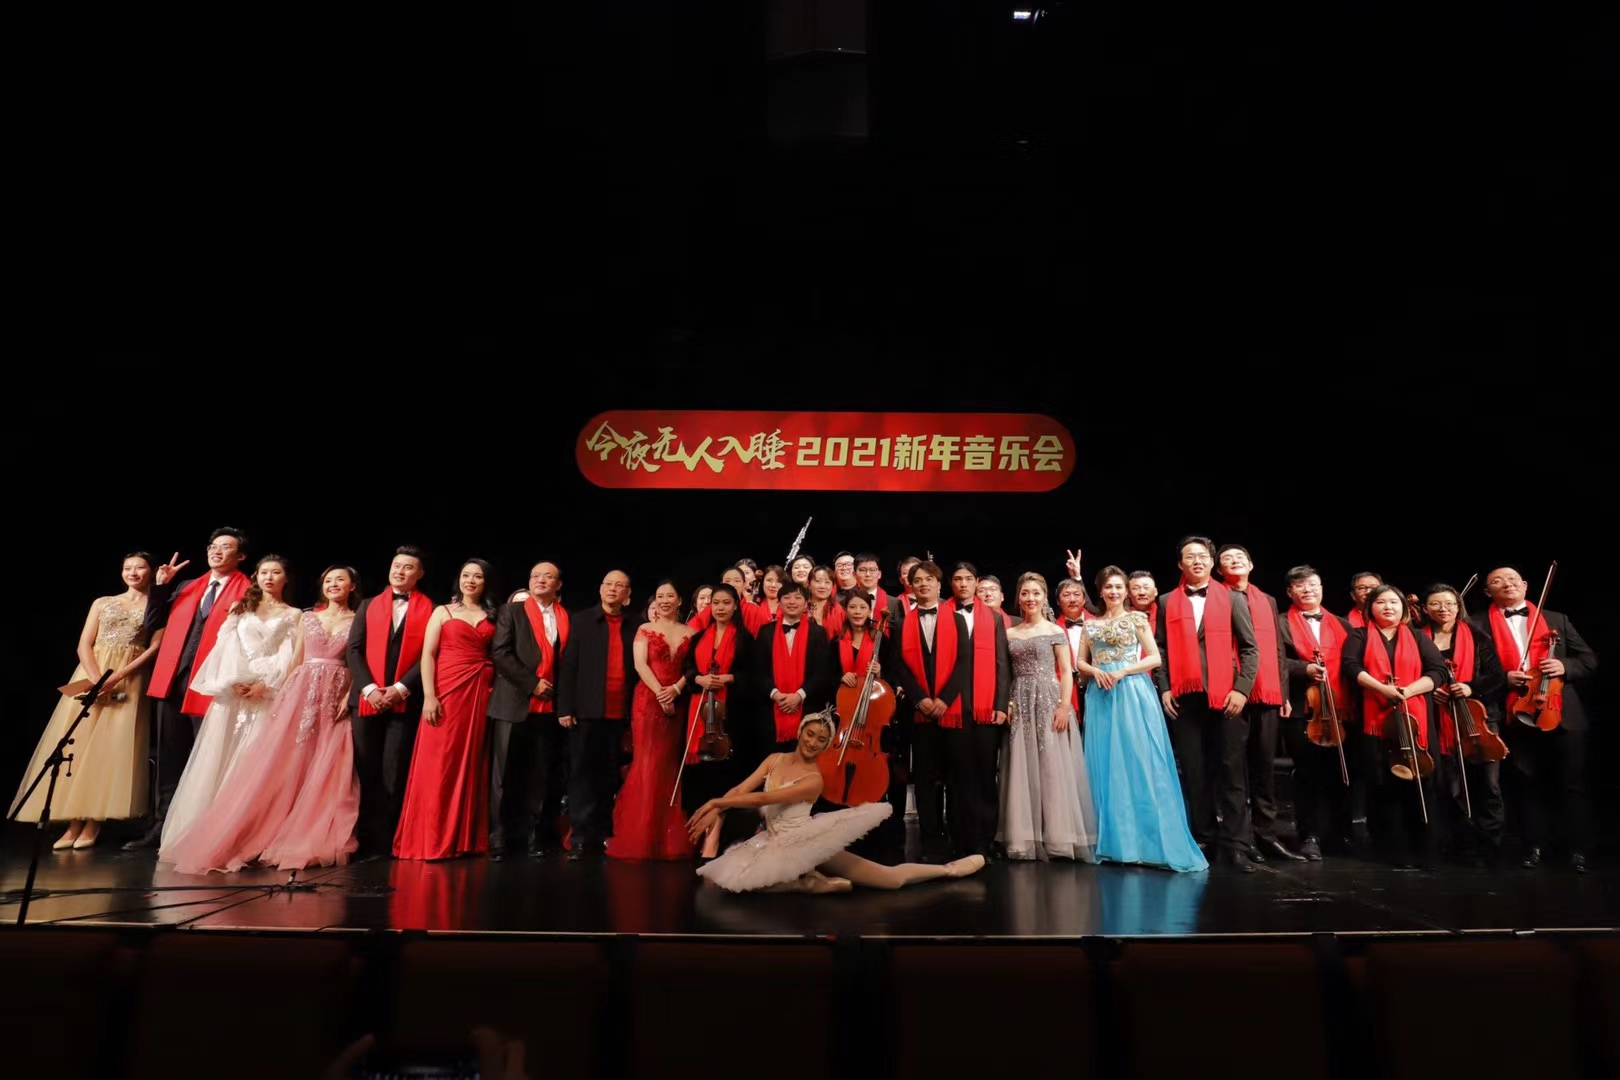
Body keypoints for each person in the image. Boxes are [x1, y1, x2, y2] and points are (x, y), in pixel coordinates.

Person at [163, 565, 364, 873]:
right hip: (301, 689)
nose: (333, 584)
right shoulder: (309, 617)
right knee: (286, 760)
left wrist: (349, 695)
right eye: (328, 580)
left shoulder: (359, 619)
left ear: (352, 586)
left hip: (335, 691)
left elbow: (358, 660)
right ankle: (261, 830)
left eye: (340, 580)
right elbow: (296, 660)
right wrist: (282, 695)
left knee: (327, 759)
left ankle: (308, 827)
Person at [690, 710, 986, 892]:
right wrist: (716, 808)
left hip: (806, 841)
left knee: (890, 880)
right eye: (810, 735)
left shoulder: (813, 779)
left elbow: (766, 797)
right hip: (773, 840)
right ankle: (808, 882)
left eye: (821, 740)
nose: (813, 743)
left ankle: (948, 870)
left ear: (827, 745)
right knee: (721, 880)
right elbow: (741, 789)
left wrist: (715, 804)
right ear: (800, 732)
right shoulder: (774, 759)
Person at [12, 553, 164, 849]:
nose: (133, 572)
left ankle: (93, 821)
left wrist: (116, 678)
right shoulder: (102, 602)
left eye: (140, 567)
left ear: (152, 571)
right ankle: (72, 822)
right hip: (91, 672)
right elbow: (84, 644)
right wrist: (97, 680)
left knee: (110, 748)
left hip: (128, 677)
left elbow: (154, 647)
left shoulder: (158, 606)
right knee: (77, 746)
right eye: (127, 568)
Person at [158, 555, 300, 857]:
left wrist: (267, 684)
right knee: (217, 757)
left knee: (253, 761)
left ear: (286, 578)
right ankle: (205, 832)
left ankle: (245, 832)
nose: (269, 577)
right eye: (264, 572)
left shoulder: (294, 614)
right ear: (256, 576)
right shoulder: (240, 607)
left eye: (276, 572)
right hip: (233, 691)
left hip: (266, 693)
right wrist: (233, 680)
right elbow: (223, 646)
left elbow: (289, 656)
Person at [124, 527, 252, 850]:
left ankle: (201, 829)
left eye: (226, 547)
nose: (216, 551)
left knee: (208, 759)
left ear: (241, 556)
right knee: (169, 757)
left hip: (213, 684)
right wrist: (160, 587)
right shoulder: (187, 586)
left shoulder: (249, 590)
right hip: (174, 679)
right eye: (213, 546)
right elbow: (153, 623)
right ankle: (162, 826)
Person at [1077, 567, 1206, 872]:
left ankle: (1147, 842)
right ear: (1100, 591)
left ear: (1126, 591)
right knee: (1105, 764)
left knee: (1139, 761)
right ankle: (1115, 843)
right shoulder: (1090, 625)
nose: (1114, 592)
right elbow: (1080, 661)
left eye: (1118, 587)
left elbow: (1154, 657)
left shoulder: (1137, 619)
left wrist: (1123, 670)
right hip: (1100, 696)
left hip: (1132, 692)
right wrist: (1096, 671)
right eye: (1108, 587)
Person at [1471, 565, 1598, 872]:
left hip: (1562, 712)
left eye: (1513, 579)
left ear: (1526, 585)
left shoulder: (1556, 619)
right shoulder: (1476, 624)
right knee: (1527, 784)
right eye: (1498, 581)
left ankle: (1576, 850)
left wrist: (1565, 667)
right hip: (1516, 713)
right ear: (1488, 592)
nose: (1507, 584)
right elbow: (1473, 672)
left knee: (1571, 784)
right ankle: (1533, 846)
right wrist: (1503, 678)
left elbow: (1588, 659)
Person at [1153, 536, 1260, 871]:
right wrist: (1164, 688)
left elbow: (1250, 648)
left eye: (1202, 556)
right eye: (1190, 556)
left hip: (1226, 696)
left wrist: (1242, 690)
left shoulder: (1232, 597)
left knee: (1231, 772)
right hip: (1185, 698)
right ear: (1180, 564)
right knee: (1195, 772)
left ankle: (1236, 845)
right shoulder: (1167, 601)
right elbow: (1160, 649)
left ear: (1212, 562)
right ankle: (1205, 839)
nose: (1197, 561)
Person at [394, 560, 497, 860]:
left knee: (471, 762)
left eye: (477, 576)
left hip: (479, 693)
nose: (470, 580)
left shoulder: (494, 615)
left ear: (486, 582)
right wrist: (429, 696)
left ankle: (462, 839)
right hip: (446, 690)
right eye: (466, 575)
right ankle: (430, 838)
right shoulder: (443, 611)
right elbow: (428, 655)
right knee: (439, 762)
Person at [1343, 585, 1447, 869]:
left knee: (1422, 782)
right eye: (1381, 602)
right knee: (1382, 784)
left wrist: (1409, 691)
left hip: (1416, 720)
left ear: (1403, 608)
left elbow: (1438, 671)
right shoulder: (1359, 635)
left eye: (1393, 602)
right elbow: (1351, 667)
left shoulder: (1418, 636)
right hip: (1376, 721)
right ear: (1370, 608)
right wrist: (1382, 689)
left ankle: (1425, 849)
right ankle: (1392, 850)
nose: (1388, 607)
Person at [998, 572, 1097, 862]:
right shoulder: (1009, 633)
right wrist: (1007, 703)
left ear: (1044, 597)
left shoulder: (1055, 630)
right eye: (1025, 593)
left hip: (1049, 700)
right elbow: (1004, 674)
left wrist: (1064, 707)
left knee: (1052, 766)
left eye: (1036, 593)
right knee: (1021, 765)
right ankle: (1024, 837)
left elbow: (1066, 672)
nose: (1030, 598)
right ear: (1018, 598)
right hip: (1020, 700)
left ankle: (1057, 837)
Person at [347, 546, 434, 857]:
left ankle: (385, 841)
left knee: (393, 771)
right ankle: (360, 839)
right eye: (397, 565)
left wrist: (400, 688)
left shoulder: (431, 609)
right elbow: (354, 650)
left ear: (420, 574)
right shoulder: (368, 605)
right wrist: (370, 689)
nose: (400, 571)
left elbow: (429, 654)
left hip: (404, 701)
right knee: (364, 769)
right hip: (366, 699)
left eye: (408, 567)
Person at [1217, 544, 1298, 862]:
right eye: (1227, 559)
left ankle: (1266, 835)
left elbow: (1277, 650)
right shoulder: (1216, 597)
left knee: (1264, 767)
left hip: (1267, 691)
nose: (1235, 561)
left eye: (1240, 557)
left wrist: (1283, 693)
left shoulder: (1267, 600)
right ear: (1219, 570)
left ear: (1251, 564)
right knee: (1233, 768)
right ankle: (1240, 839)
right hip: (1231, 690)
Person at [557, 569, 642, 861]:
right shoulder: (581, 620)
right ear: (600, 589)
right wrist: (565, 707)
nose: (612, 589)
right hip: (585, 711)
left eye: (619, 585)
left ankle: (604, 834)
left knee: (609, 776)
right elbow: (569, 666)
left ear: (627, 594)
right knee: (582, 775)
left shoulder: (636, 624)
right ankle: (581, 837)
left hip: (621, 713)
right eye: (608, 584)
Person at [608, 581, 696, 861]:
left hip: (677, 702)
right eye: (660, 596)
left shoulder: (691, 632)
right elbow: (640, 664)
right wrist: (661, 693)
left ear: (679, 600)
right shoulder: (644, 629)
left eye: (670, 596)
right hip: (648, 701)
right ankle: (641, 833)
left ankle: (666, 835)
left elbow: (693, 669)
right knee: (647, 762)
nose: (665, 600)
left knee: (669, 763)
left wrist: (676, 690)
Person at [488, 561, 569, 861]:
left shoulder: (564, 616)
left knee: (540, 774)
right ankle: (498, 838)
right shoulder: (511, 611)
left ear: (558, 584)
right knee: (504, 776)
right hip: (513, 702)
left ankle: (535, 836)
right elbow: (500, 653)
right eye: (535, 576)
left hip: (549, 706)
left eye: (548, 576)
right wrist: (532, 684)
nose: (540, 580)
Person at [1421, 582, 1507, 865]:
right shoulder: (1418, 638)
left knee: (1488, 785)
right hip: (1438, 719)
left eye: (1449, 603)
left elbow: (1497, 676)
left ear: (1459, 607)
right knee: (1451, 786)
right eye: (1435, 604)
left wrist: (1471, 687)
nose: (1443, 609)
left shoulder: (1478, 635)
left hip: (1480, 718)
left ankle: (1491, 846)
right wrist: (1429, 690)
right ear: (1425, 609)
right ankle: (1461, 844)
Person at [1277, 565, 1356, 861]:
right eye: (1300, 585)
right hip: (1302, 708)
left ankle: (1341, 833)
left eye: (1313, 584)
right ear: (1290, 592)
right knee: (1307, 773)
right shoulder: (1279, 623)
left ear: (1322, 588)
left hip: (1341, 708)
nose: (1307, 589)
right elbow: (1275, 660)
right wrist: (1304, 668)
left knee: (1340, 772)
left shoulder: (1343, 624)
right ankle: (1309, 835)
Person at [681, 583, 755, 858]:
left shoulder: (745, 639)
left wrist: (728, 678)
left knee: (724, 776)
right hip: (699, 716)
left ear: (736, 606)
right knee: (699, 777)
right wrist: (699, 679)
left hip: (730, 718)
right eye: (716, 603)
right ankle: (699, 833)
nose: (720, 608)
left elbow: (753, 677)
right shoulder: (699, 636)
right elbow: (688, 670)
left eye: (726, 603)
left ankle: (718, 835)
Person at [749, 581, 835, 753]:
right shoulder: (766, 632)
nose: (792, 602)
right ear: (779, 603)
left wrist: (799, 695)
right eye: (787, 597)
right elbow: (758, 670)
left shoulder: (818, 633)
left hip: (807, 708)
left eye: (797, 597)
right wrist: (775, 694)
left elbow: (822, 672)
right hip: (771, 710)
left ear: (806, 603)